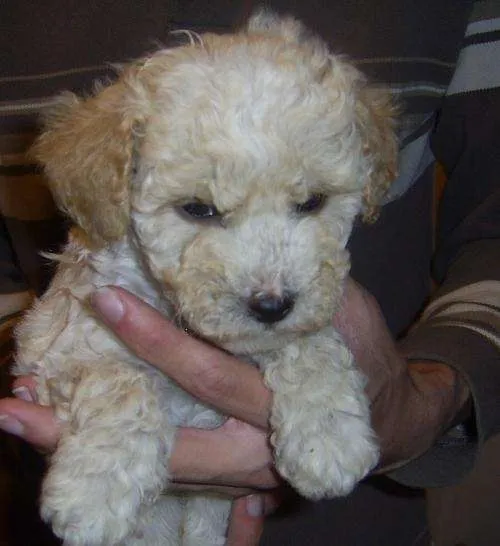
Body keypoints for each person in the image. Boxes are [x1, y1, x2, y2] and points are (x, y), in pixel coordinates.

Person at [0, 1, 499, 544]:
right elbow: (47, 338)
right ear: (114, 186)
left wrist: (417, 400)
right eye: (200, 209)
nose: (270, 287)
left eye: (310, 201)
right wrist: (110, 417)